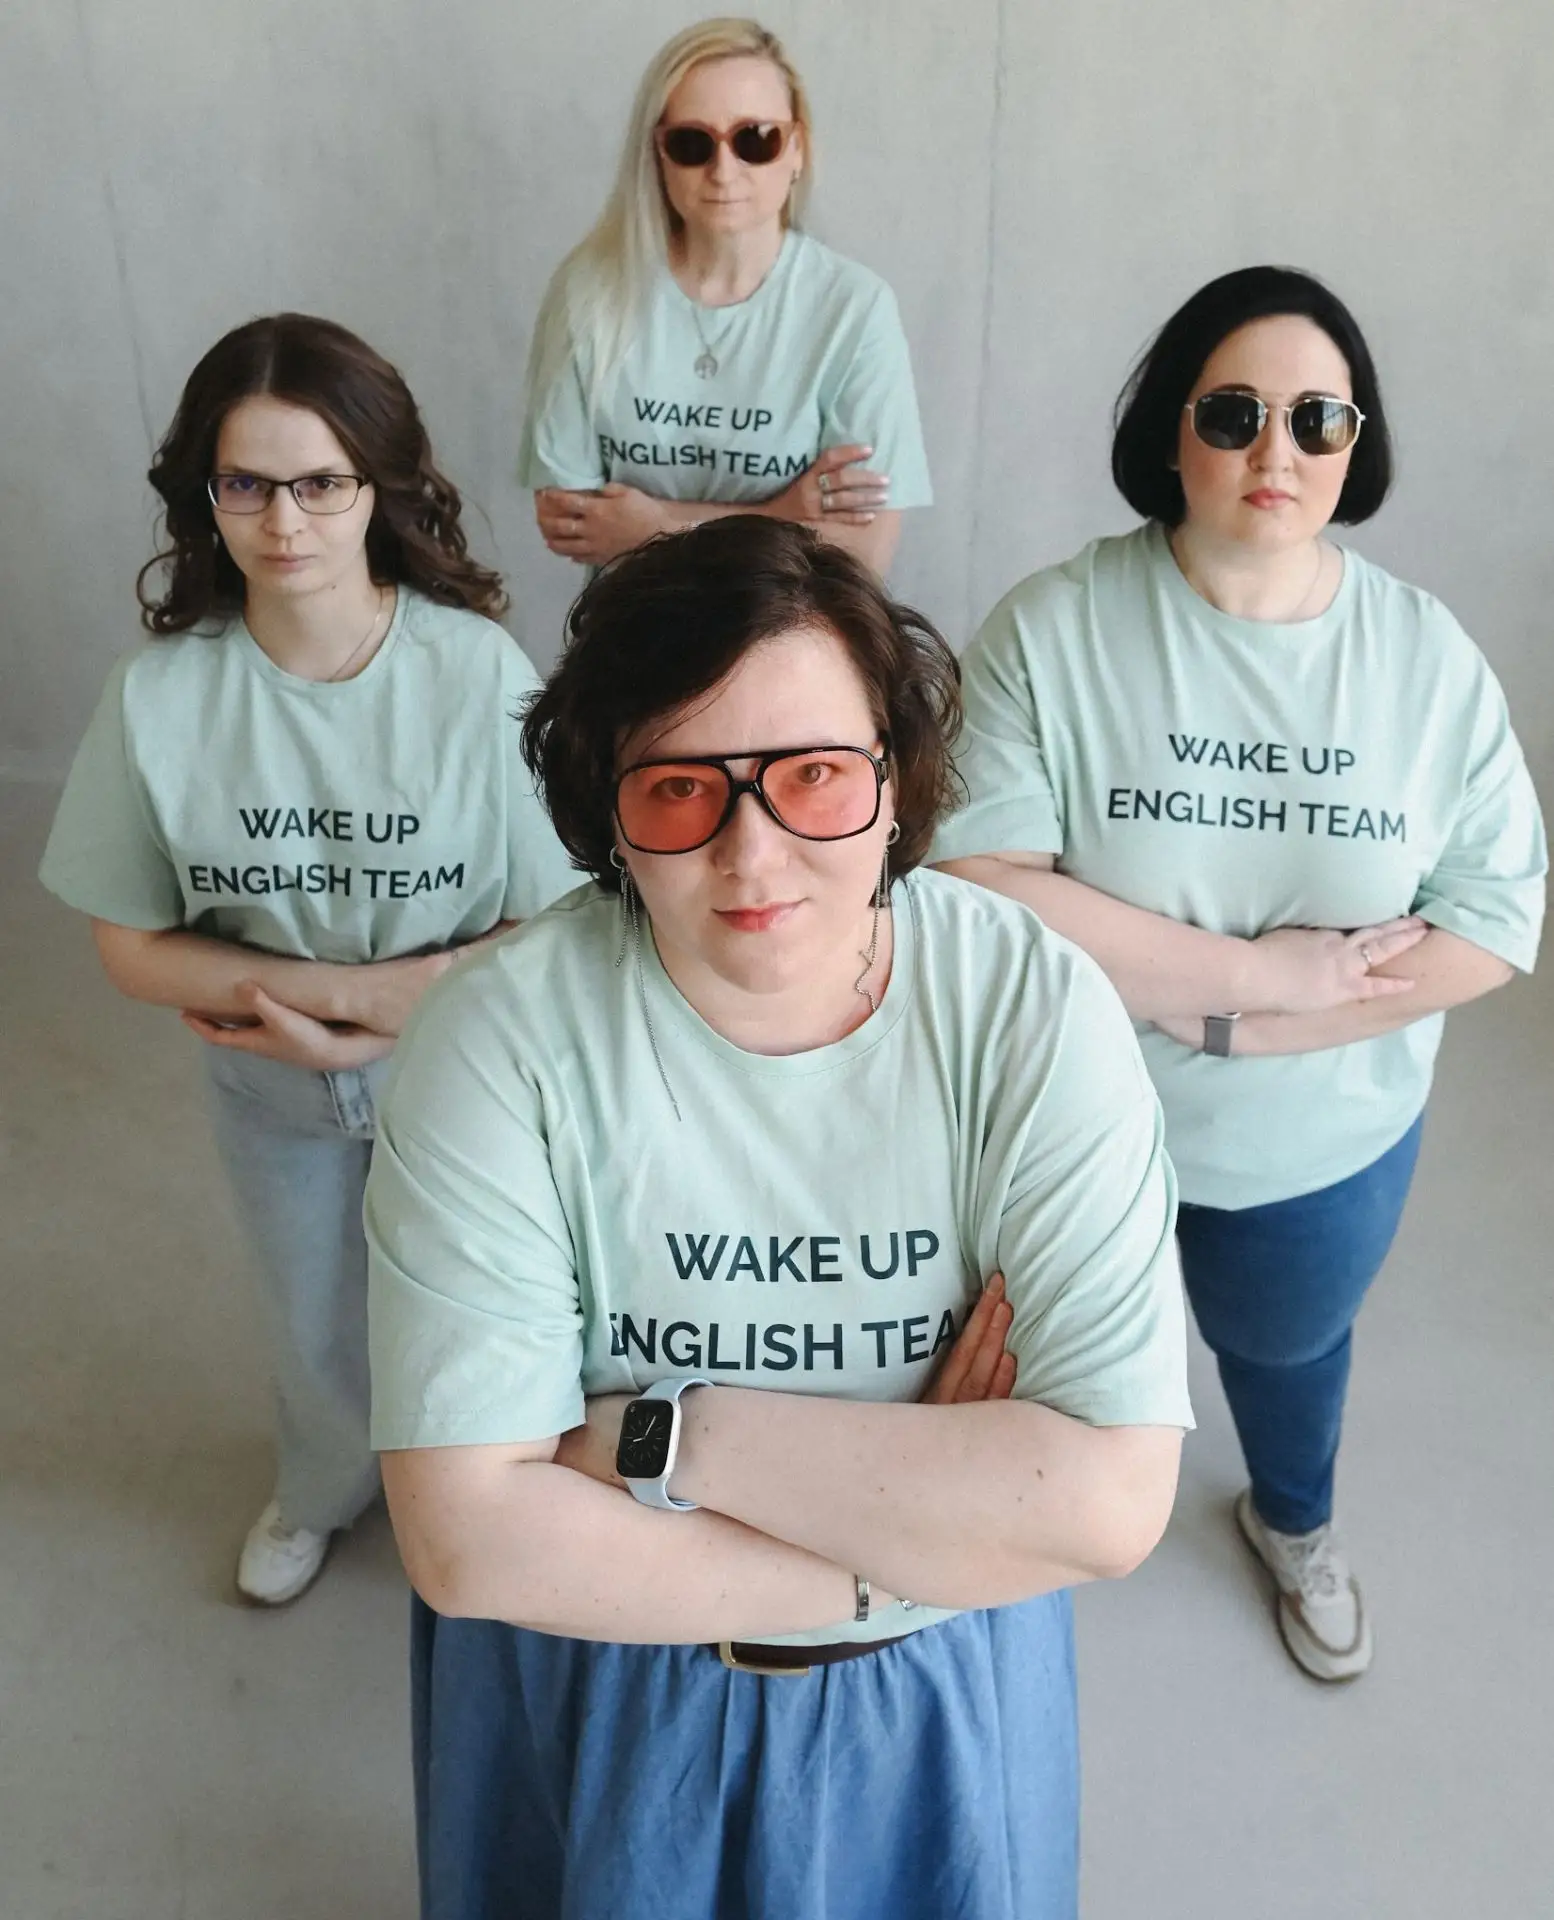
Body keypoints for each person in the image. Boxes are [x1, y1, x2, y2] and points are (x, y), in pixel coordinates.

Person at [364, 516, 1192, 1919]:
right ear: (607, 810)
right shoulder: (498, 1037)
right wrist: (905, 1558)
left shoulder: (1029, 1007)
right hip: (609, 1683)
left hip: (928, 1708)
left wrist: (658, 1435)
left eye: (813, 775)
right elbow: (470, 1538)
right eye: (680, 789)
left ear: (894, 779)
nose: (753, 855)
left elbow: (1106, 1501)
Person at [933, 265, 1547, 1682]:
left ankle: (1293, 1521)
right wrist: (1259, 980)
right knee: (1042, 1359)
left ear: (1355, 444)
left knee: (1286, 1353)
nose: (1279, 449)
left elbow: (1494, 920)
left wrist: (1256, 1033)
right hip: (1077, 1122)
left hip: (1321, 1136)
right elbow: (980, 881)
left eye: (1318, 419)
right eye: (1234, 413)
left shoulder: (1424, 658)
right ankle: (1000, 1557)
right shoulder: (1055, 627)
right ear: (1171, 430)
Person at [39, 314, 574, 1606]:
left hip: (463, 1070)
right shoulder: (159, 696)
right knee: (312, 1316)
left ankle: (504, 1505)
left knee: (484, 1303)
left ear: (378, 486)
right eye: (248, 484)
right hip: (266, 1081)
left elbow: (561, 921)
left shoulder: (475, 672)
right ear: (205, 495)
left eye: (320, 483)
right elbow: (129, 946)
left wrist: (407, 1013)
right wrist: (340, 1000)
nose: (284, 521)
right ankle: (324, 1490)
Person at [518, 17, 931, 578]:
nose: (723, 169)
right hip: (630, 624)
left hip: (789, 625)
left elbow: (863, 555)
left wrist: (654, 528)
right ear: (657, 154)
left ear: (797, 149)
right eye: (692, 143)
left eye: (755, 139)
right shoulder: (588, 293)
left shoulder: (854, 310)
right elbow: (570, 521)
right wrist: (785, 515)